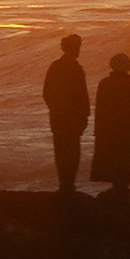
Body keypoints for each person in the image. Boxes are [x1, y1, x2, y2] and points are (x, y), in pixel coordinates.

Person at [90, 53, 130, 194]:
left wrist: (98, 130)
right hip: (127, 130)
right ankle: (122, 186)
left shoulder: (105, 84)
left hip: (109, 129)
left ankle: (117, 186)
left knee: (112, 157)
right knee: (125, 158)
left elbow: (100, 110)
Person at [43, 34, 90, 192]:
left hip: (60, 118)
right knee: (71, 152)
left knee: (63, 151)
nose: (78, 50)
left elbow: (47, 93)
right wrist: (83, 115)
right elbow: (81, 95)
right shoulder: (72, 68)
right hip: (69, 118)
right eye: (76, 47)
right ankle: (67, 184)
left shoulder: (56, 66)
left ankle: (65, 184)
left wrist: (57, 110)